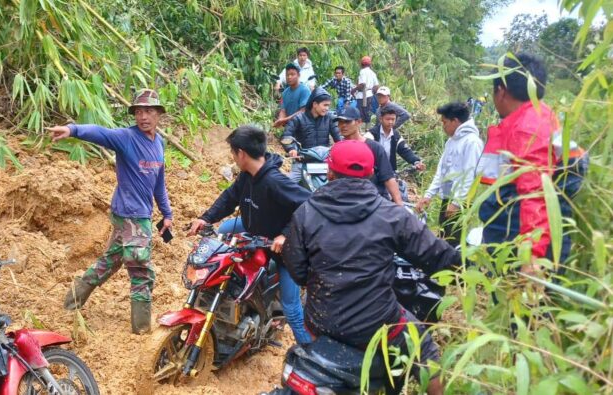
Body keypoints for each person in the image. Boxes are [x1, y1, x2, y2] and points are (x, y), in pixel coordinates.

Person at [282, 140, 461, 395]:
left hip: (320, 320)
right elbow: (437, 257)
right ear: (369, 174)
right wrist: (472, 266)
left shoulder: (305, 213)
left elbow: (297, 270)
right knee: (425, 348)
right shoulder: (391, 215)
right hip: (376, 324)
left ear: (329, 172)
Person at [48, 89, 173, 334]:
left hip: (137, 214)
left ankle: (71, 301)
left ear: (159, 114)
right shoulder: (126, 137)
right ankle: (142, 330)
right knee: (141, 270)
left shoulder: (159, 143)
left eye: (148, 111)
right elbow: (101, 133)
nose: (143, 116)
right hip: (131, 216)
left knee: (111, 260)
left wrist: (166, 214)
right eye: (138, 111)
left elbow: (159, 183)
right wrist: (73, 130)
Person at [188, 126, 313, 345]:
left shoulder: (275, 182)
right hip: (257, 232)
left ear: (241, 154)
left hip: (284, 249)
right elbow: (230, 197)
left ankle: (309, 352)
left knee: (291, 306)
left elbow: (309, 205)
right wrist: (206, 218)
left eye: (232, 153)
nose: (233, 158)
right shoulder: (247, 176)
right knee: (226, 229)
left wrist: (285, 235)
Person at [477, 52, 585, 268]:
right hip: (528, 230)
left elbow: (535, 193)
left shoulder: (527, 128)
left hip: (529, 239)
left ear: (501, 91)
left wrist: (531, 257)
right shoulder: (539, 116)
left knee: (520, 297)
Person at [416, 102, 484, 247]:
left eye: (445, 122)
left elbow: (470, 176)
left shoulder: (472, 142)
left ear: (455, 121)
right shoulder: (451, 141)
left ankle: (456, 268)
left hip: (460, 203)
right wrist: (428, 195)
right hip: (448, 199)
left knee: (455, 240)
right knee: (444, 238)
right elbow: (441, 172)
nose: (443, 126)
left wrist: (456, 203)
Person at [334, 106, 403, 205]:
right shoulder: (338, 149)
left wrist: (399, 204)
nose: (343, 125)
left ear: (359, 122)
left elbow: (388, 177)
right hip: (346, 198)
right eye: (340, 122)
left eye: (348, 122)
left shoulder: (375, 148)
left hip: (373, 198)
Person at [282, 88, 342, 182]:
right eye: (325, 105)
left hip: (324, 162)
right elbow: (286, 135)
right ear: (314, 104)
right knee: (286, 186)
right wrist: (291, 148)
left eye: (328, 106)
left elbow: (339, 137)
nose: (327, 108)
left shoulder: (329, 118)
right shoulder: (298, 118)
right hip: (302, 161)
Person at [369, 107, 425, 200]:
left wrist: (416, 161)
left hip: (389, 172)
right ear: (381, 119)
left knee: (395, 198)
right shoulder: (372, 134)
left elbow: (405, 150)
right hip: (373, 173)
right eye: (388, 119)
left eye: (393, 119)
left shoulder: (395, 135)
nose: (390, 122)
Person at [273, 63, 311, 128]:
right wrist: (280, 120)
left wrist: (283, 120)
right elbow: (283, 110)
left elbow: (303, 111)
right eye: (287, 75)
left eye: (292, 74)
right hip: (290, 128)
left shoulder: (305, 90)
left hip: (303, 128)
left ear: (298, 75)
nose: (289, 77)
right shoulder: (285, 93)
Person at [355, 56, 380, 123]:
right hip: (369, 95)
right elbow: (377, 86)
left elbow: (362, 84)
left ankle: (363, 129)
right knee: (368, 113)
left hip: (362, 96)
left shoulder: (362, 71)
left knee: (361, 114)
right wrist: (372, 92)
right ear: (370, 64)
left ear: (361, 64)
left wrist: (354, 89)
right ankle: (368, 128)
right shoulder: (372, 73)